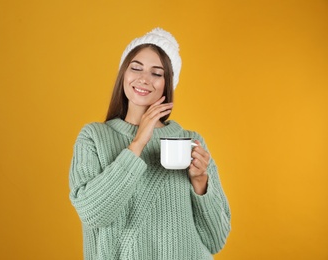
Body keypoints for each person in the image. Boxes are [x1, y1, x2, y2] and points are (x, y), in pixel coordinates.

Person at [69, 28, 231, 260]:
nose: (144, 79)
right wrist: (138, 143)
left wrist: (200, 182)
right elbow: (94, 214)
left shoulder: (191, 141)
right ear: (123, 74)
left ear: (168, 84)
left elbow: (216, 240)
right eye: (136, 68)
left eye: (157, 73)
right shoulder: (93, 137)